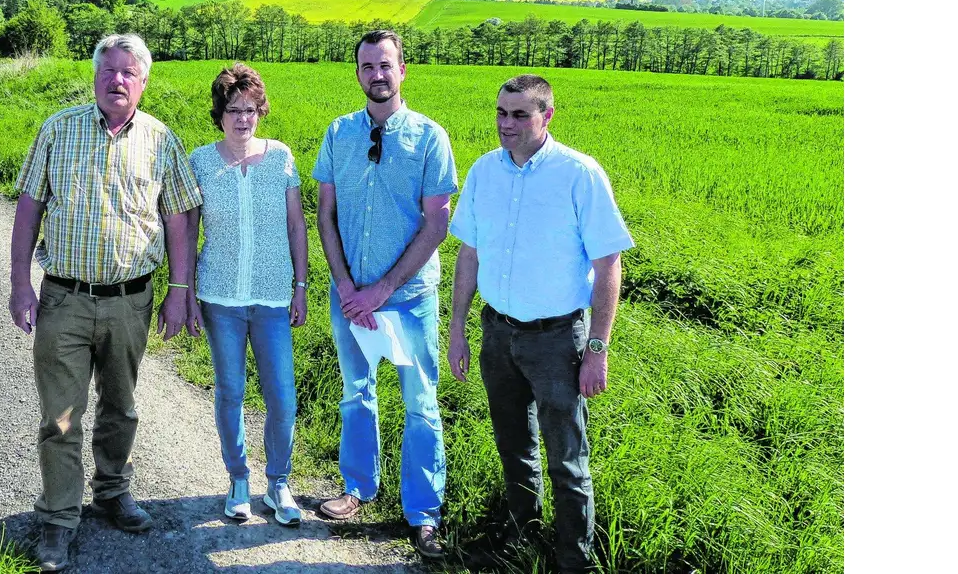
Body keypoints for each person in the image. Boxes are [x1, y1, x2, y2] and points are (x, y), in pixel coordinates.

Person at [7, 33, 203, 573]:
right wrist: (20, 282)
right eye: (108, 71)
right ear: (94, 76)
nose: (117, 80)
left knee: (121, 406)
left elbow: (180, 217)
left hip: (129, 301)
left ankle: (113, 491)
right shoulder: (58, 128)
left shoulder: (162, 139)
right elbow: (28, 205)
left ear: (143, 82)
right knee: (60, 417)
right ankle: (59, 516)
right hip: (64, 298)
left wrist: (179, 291)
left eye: (128, 73)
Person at [446, 74, 633, 574]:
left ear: (547, 116)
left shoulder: (579, 174)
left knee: (567, 459)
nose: (507, 124)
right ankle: (520, 541)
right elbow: (469, 252)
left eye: (520, 115)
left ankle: (576, 562)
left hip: (557, 341)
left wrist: (597, 348)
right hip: (499, 333)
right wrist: (459, 327)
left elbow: (608, 264)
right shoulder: (485, 171)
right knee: (513, 446)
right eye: (501, 113)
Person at [311, 29, 457, 559]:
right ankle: (357, 489)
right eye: (367, 65)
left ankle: (423, 513)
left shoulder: (429, 137)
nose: (377, 74)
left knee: (420, 404)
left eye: (386, 65)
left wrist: (383, 289)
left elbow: (436, 225)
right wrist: (348, 286)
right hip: (348, 295)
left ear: (403, 71)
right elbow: (324, 214)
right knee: (356, 392)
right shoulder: (338, 133)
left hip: (409, 297)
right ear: (357, 73)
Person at [187, 64, 310, 526]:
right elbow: (190, 228)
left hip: (274, 297)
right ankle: (238, 479)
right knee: (230, 391)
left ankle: (278, 483)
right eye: (234, 109)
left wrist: (300, 286)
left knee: (282, 397)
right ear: (219, 113)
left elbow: (296, 224)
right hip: (220, 296)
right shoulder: (201, 160)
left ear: (261, 112)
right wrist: (186, 294)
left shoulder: (281, 158)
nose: (243, 118)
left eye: (251, 109)